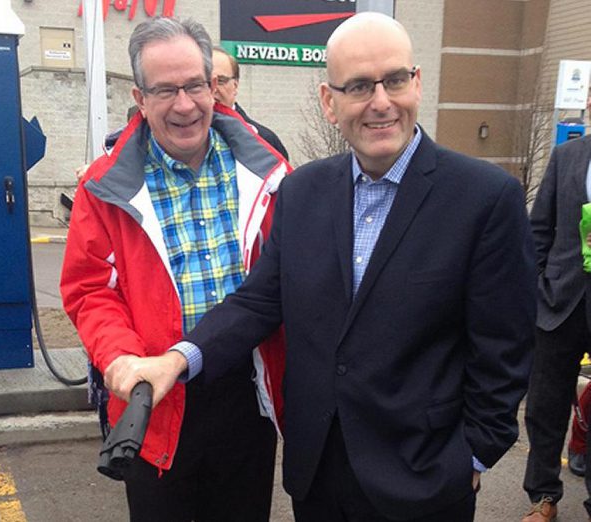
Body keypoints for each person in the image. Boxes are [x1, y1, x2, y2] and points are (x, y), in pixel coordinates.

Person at [112, 12, 537, 522]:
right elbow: (259, 301)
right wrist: (177, 360)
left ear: (416, 84)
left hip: (427, 482)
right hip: (318, 477)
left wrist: (474, 454)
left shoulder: (485, 199)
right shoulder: (302, 191)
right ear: (329, 102)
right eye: (358, 86)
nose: (380, 102)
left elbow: (504, 347)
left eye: (395, 80)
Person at [60, 16, 291, 522]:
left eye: (193, 85)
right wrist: (119, 358)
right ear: (140, 99)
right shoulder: (103, 187)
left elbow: (287, 283)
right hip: (154, 399)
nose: (184, 104)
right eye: (165, 90)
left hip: (246, 395)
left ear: (215, 88)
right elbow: (89, 289)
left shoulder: (269, 172)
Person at [521, 89, 591, 522]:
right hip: (560, 300)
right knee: (545, 406)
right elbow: (539, 228)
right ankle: (542, 497)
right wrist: (538, 284)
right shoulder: (568, 157)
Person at [211, 46, 289, 160]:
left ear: (235, 85)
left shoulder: (264, 141)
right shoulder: (180, 139)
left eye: (221, 81)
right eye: (206, 81)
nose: (213, 88)